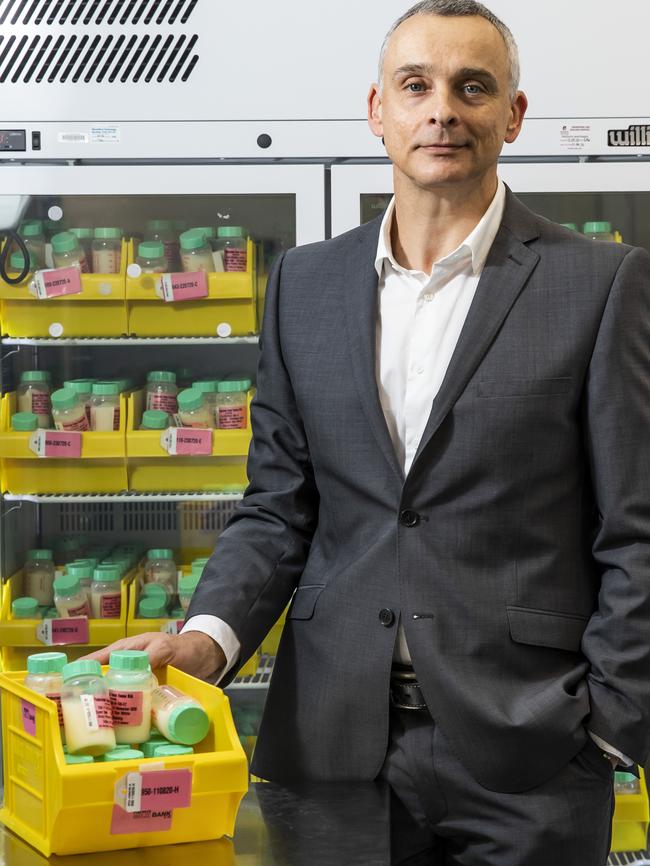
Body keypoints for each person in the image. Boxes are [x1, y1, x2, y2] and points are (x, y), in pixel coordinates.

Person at [88, 1, 650, 861]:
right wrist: (205, 639)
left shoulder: (601, 282)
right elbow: (278, 507)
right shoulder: (304, 284)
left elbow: (636, 531)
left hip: (529, 751)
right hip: (330, 741)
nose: (442, 111)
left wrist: (609, 725)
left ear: (513, 115)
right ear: (377, 109)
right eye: (415, 85)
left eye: (473, 87)